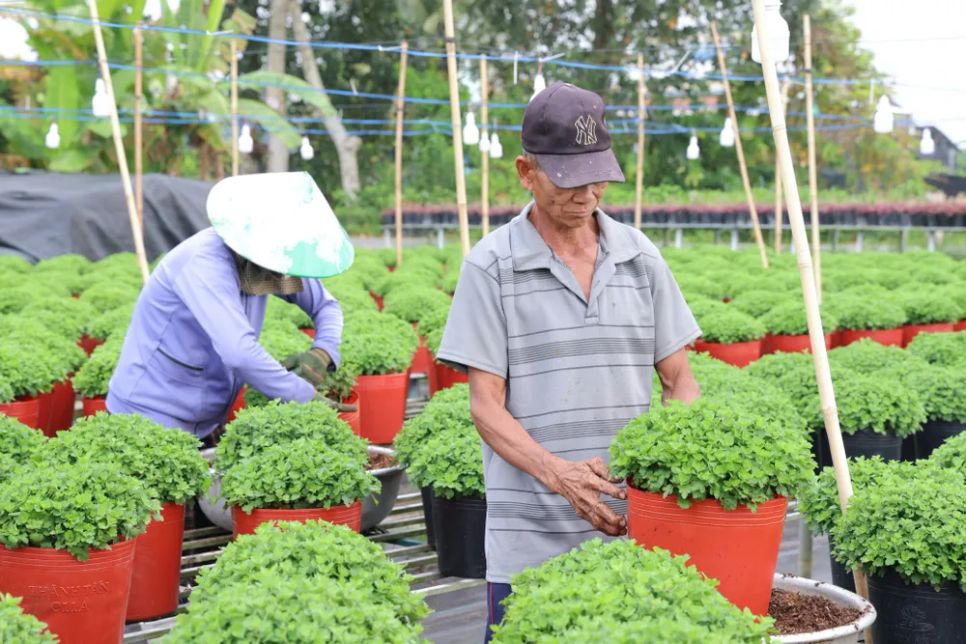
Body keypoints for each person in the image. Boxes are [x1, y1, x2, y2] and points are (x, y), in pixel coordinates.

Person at [435, 82, 702, 640]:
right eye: (567, 178)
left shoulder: (641, 257)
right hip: (527, 538)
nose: (586, 193)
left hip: (631, 533)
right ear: (525, 171)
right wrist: (561, 477)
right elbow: (485, 406)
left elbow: (681, 382)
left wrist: (666, 475)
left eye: (597, 175)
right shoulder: (491, 267)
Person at [107, 172, 354, 441]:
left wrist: (323, 352)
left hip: (206, 418)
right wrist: (304, 396)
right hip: (148, 416)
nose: (282, 269)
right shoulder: (204, 263)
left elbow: (326, 306)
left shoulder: (277, 258)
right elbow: (239, 352)